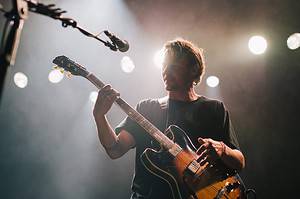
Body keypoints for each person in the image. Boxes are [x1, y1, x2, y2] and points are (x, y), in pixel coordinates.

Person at [93, 38, 245, 199]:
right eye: (164, 65)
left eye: (173, 65)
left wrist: (223, 149)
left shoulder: (214, 109)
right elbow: (115, 149)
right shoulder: (147, 108)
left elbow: (239, 162)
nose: (165, 70)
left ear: (193, 69)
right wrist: (99, 116)